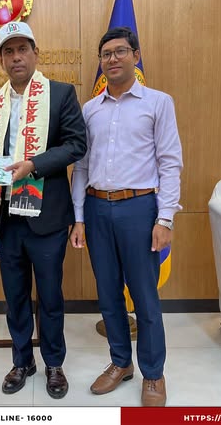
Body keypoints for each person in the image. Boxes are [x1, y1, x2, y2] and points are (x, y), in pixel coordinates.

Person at [0, 21, 86, 399]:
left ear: (35, 53)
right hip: (6, 215)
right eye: (9, 51)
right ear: (0, 59)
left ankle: (54, 363)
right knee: (14, 295)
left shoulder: (60, 94)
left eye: (23, 49)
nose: (16, 57)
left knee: (50, 296)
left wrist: (34, 165)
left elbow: (76, 144)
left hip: (46, 215)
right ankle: (21, 360)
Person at [70, 27, 183, 407]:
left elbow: (170, 163)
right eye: (106, 54)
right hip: (97, 209)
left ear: (136, 55)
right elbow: (81, 167)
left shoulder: (158, 103)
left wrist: (165, 219)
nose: (113, 59)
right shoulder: (90, 109)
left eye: (120, 51)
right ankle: (121, 362)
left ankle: (153, 373)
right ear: (100, 62)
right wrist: (79, 218)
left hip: (139, 209)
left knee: (145, 297)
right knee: (108, 294)